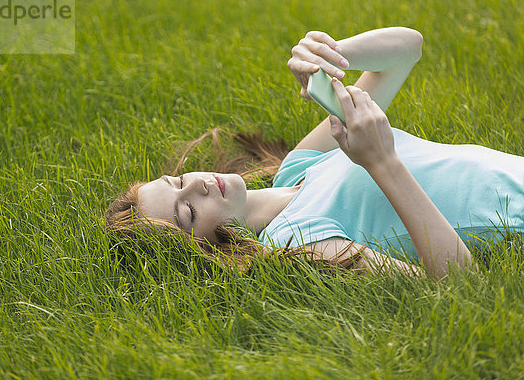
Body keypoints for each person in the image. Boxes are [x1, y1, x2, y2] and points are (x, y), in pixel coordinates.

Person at [106, 27, 524, 279]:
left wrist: (332, 52)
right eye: (188, 212)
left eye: (179, 181)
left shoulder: (297, 168)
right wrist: (382, 163)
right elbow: (459, 282)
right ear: (209, 249)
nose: (196, 185)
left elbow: (407, 49)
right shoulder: (294, 239)